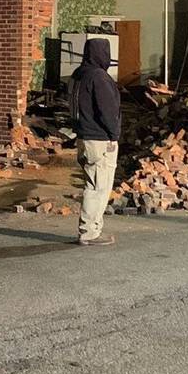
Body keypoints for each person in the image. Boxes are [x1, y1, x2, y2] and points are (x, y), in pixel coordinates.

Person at [71, 38, 121, 246]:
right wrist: (114, 135)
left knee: (91, 183)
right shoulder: (99, 78)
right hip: (100, 140)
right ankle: (90, 232)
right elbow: (107, 111)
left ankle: (91, 228)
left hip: (83, 137)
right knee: (99, 187)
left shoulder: (78, 75)